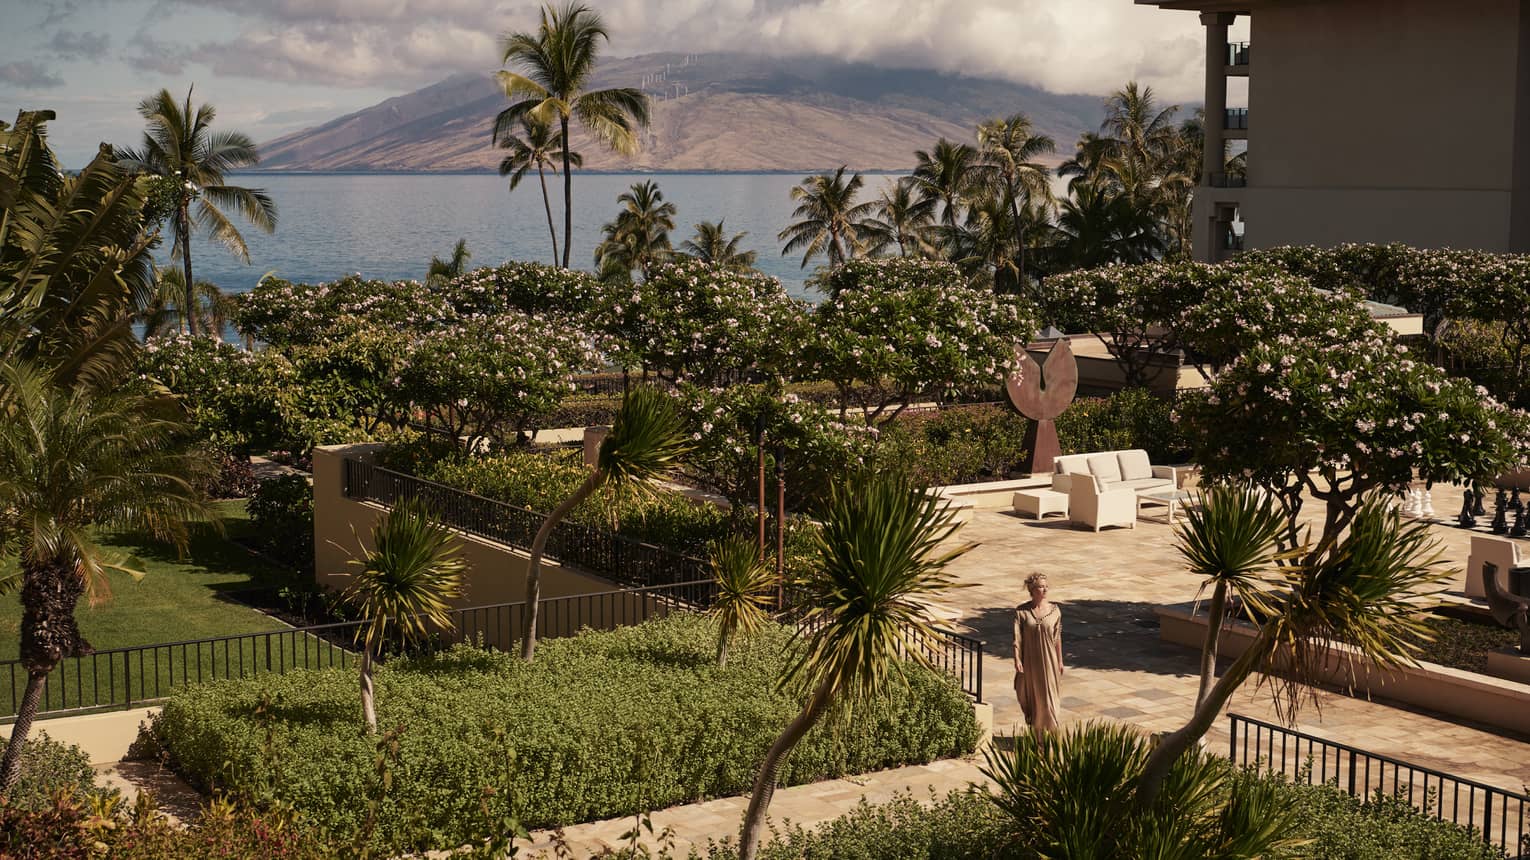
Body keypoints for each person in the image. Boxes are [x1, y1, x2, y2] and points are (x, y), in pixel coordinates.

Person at [1013, 572, 1064, 732]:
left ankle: (1052, 733)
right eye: (1041, 587)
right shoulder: (1022, 612)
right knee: (1032, 697)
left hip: (1050, 660)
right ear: (1033, 590)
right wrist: (1017, 659)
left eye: (1046, 586)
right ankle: (1037, 732)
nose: (1045, 590)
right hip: (1030, 660)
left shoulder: (1055, 611)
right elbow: (1017, 638)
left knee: (1050, 699)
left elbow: (1057, 638)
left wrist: (1060, 661)